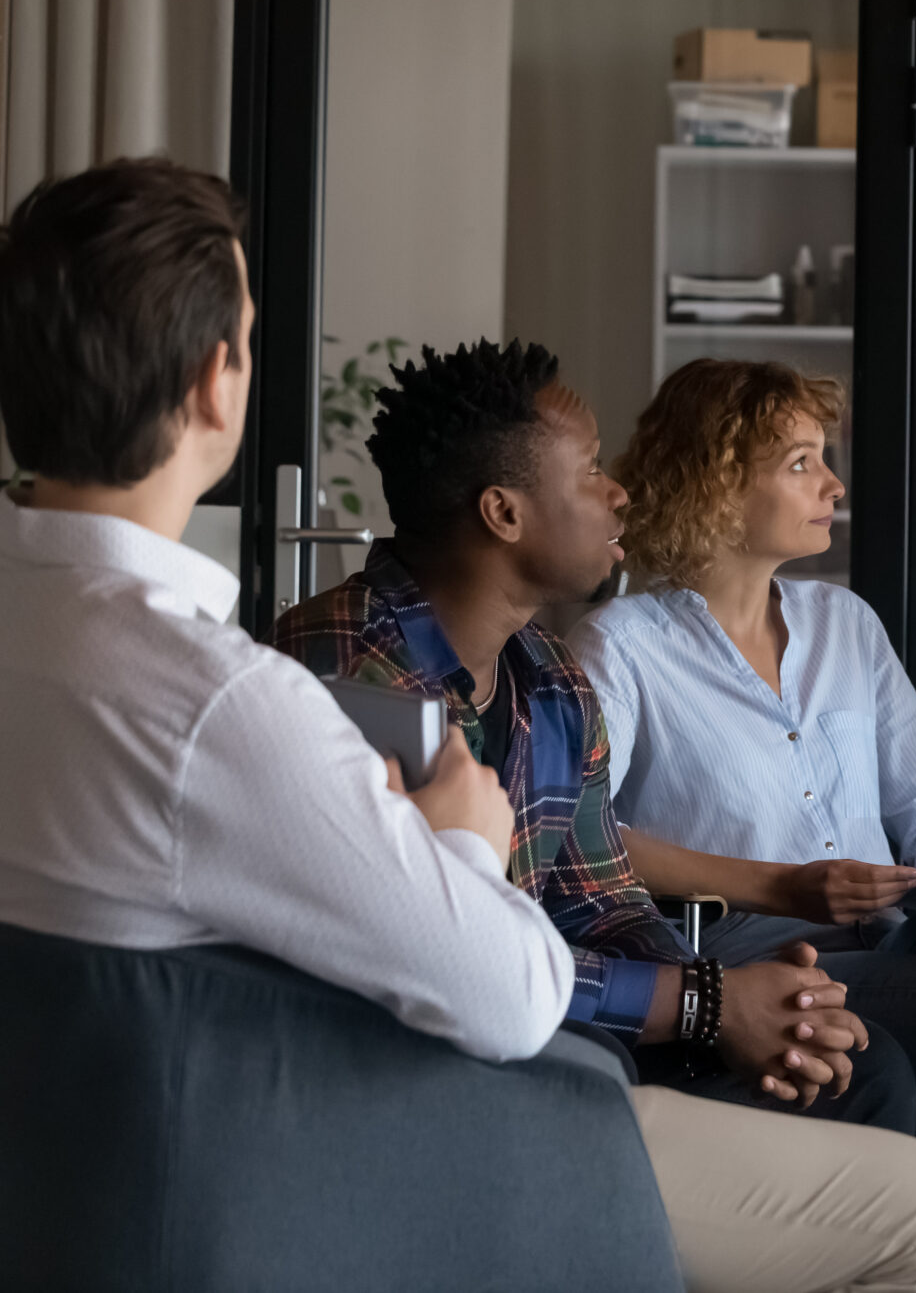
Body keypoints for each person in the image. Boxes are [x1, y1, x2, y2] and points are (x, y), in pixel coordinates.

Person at [273, 339, 916, 1293]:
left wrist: (742, 1011)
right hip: (435, 1059)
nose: (620, 496)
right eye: (591, 471)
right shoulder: (344, 670)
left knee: (862, 1067)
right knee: (617, 1077)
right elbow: (435, 956)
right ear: (505, 511)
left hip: (581, 1030)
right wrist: (702, 1003)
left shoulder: (551, 681)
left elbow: (601, 900)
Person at [570, 357, 916, 1293]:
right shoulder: (623, 646)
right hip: (766, 959)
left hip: (896, 932)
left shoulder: (845, 624)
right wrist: (779, 882)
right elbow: (584, 840)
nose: (832, 485)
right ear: (717, 477)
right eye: (800, 463)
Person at [0, 160, 568, 1063]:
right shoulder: (219, 705)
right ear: (212, 380)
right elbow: (520, 995)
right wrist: (465, 838)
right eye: (251, 339)